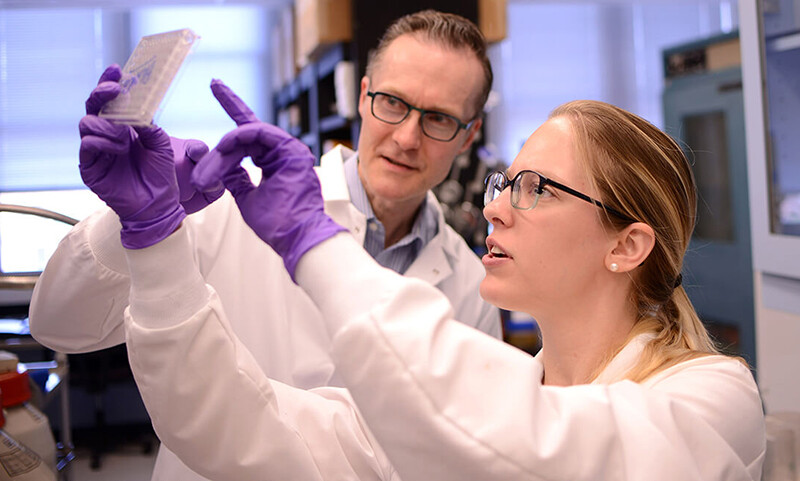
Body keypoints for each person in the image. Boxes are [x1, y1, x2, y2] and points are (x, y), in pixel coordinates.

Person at [115, 92, 765, 480]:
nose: (495, 208)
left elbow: (529, 442)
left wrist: (315, 243)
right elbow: (238, 424)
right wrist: (155, 238)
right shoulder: (503, 390)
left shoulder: (712, 400)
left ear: (626, 245)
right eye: (505, 182)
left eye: (536, 189)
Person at [28, 10, 500, 481]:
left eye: (438, 118)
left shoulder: (472, 288)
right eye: (392, 102)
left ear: (469, 135)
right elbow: (58, 323)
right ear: (362, 94)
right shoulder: (234, 199)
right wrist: (132, 223)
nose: (406, 137)